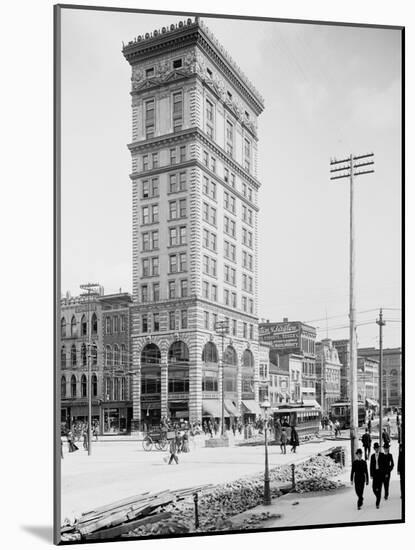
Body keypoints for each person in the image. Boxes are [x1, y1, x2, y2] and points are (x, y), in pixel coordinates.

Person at [370, 442, 384, 508]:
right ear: (374, 449)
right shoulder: (372, 456)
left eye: (377, 448)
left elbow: (384, 465)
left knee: (379, 488)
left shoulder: (382, 455)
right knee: (374, 488)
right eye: (375, 448)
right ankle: (378, 496)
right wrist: (371, 474)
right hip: (375, 473)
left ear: (379, 448)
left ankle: (377, 503)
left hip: (380, 474)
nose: (376, 449)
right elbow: (371, 466)